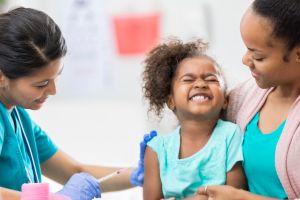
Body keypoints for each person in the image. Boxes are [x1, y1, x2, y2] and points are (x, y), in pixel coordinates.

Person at [0, 7, 156, 200]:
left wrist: (139, 174)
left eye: (56, 78)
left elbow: (74, 171)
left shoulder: (18, 117)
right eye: (41, 84)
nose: (52, 91)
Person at [196, 0, 300, 199]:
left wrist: (240, 198)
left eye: (258, 56)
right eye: (246, 49)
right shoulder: (244, 98)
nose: (245, 60)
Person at [142, 38, 246, 200]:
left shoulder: (230, 135)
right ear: (171, 101)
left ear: (225, 100)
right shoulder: (157, 149)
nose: (200, 84)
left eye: (211, 79)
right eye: (188, 80)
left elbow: (236, 196)